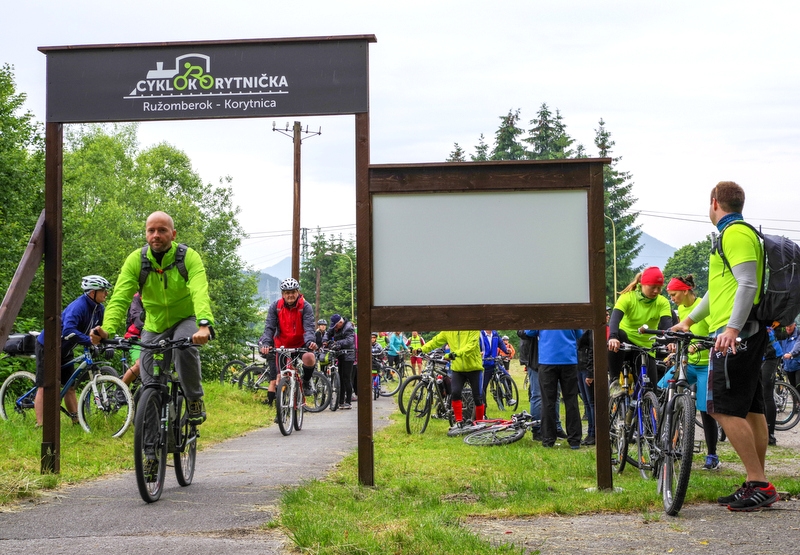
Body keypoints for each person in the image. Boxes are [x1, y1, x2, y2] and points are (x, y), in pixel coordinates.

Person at [673, 181, 777, 511]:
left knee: (719, 406)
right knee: (752, 409)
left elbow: (747, 282)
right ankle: (756, 483)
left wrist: (731, 328)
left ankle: (759, 482)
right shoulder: (730, 236)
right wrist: (689, 321)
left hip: (736, 334)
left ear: (715, 202)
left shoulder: (735, 233)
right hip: (743, 332)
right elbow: (717, 291)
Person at [95, 211, 214, 425]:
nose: (156, 235)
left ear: (173, 234)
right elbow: (120, 297)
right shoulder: (136, 260)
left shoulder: (188, 257)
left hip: (184, 318)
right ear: (146, 234)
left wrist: (204, 324)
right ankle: (150, 443)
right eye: (151, 230)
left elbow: (199, 291)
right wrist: (107, 329)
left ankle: (194, 398)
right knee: (150, 383)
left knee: (184, 348)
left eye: (162, 230)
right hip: (154, 324)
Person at [34, 275, 110, 427]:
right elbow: (68, 329)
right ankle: (41, 425)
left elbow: (97, 332)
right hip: (48, 346)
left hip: (66, 349)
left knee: (70, 386)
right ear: (92, 292)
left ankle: (76, 421)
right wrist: (89, 341)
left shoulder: (99, 309)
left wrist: (104, 344)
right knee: (44, 386)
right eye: (103, 290)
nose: (106, 294)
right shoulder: (79, 307)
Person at [662, 275, 720, 469]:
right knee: (662, 388)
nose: (672, 299)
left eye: (674, 294)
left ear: (686, 291)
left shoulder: (703, 306)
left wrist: (699, 346)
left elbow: (714, 335)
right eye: (670, 295)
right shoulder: (681, 309)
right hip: (687, 363)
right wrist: (674, 345)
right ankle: (669, 441)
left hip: (704, 365)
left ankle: (712, 455)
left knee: (705, 410)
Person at [607, 266, 672, 390]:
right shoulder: (627, 297)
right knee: (619, 334)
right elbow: (614, 319)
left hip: (645, 347)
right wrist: (613, 337)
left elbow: (666, 324)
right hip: (625, 344)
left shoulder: (662, 302)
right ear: (642, 284)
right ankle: (614, 381)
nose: (656, 291)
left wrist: (670, 341)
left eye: (659, 288)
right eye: (653, 287)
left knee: (650, 389)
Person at [257, 277, 318, 408]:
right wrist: (266, 343)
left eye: (293, 292)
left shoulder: (305, 306)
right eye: (287, 293)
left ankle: (306, 381)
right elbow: (269, 327)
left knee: (310, 358)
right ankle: (281, 411)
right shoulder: (276, 307)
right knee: (280, 378)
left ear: (298, 292)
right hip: (282, 345)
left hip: (301, 343)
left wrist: (310, 341)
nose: (290, 295)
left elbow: (309, 327)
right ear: (283, 294)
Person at [420, 330, 485, 436]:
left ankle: (480, 422)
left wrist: (455, 354)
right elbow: (435, 341)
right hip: (457, 369)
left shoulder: (473, 329)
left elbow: (471, 346)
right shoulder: (449, 331)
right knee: (455, 393)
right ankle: (459, 422)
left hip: (474, 368)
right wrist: (421, 349)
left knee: (477, 397)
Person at [527, 329, 584, 448]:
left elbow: (529, 332)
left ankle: (548, 439)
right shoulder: (572, 317)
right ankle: (574, 440)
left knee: (548, 402)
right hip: (568, 359)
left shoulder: (542, 317)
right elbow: (579, 334)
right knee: (571, 401)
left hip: (547, 359)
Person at [324, 314, 355, 409]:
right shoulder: (335, 327)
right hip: (340, 354)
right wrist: (325, 341)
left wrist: (337, 343)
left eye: (336, 326)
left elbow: (349, 341)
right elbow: (328, 333)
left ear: (341, 322)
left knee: (346, 378)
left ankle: (348, 401)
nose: (335, 328)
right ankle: (340, 401)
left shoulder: (348, 328)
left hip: (348, 355)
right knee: (340, 378)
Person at [479, 329, 510, 411]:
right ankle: (483, 405)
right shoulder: (480, 335)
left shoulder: (495, 334)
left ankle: (509, 399)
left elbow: (501, 343)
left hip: (494, 362)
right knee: (483, 386)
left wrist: (506, 350)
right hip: (485, 364)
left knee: (506, 376)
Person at [121, 291, 144, 386]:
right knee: (139, 365)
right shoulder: (137, 298)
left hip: (156, 339)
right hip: (135, 338)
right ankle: (121, 389)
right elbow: (136, 318)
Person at [778, 320, 800, 389]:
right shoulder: (783, 335)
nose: (788, 328)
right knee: (793, 389)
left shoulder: (798, 334)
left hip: (798, 366)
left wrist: (791, 354)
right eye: (787, 326)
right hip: (788, 367)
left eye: (790, 326)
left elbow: (798, 346)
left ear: (795, 325)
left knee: (798, 386)